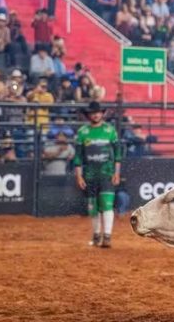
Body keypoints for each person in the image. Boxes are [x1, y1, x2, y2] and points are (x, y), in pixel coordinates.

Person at [73, 101, 121, 248]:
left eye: (99, 112)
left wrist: (117, 173)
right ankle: (96, 235)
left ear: (102, 113)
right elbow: (78, 157)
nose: (96, 114)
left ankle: (107, 237)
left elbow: (118, 154)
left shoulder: (110, 130)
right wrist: (79, 176)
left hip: (107, 173)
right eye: (93, 112)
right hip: (89, 175)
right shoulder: (82, 132)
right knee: (93, 208)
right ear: (89, 115)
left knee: (107, 204)